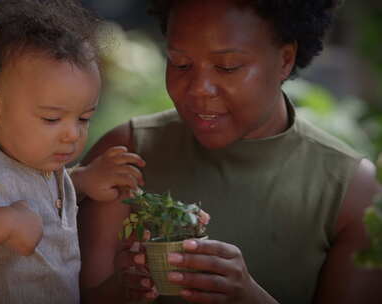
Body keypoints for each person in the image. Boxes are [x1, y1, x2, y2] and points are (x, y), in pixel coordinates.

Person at [78, 0, 382, 303]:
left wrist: (250, 298)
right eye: (180, 64)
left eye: (227, 67)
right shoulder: (122, 157)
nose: (199, 88)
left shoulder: (351, 192)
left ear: (285, 60)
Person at [0, 1, 145, 303]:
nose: (73, 134)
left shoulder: (41, 162)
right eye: (51, 118)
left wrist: (83, 180)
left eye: (84, 118)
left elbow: (35, 192)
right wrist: (2, 223)